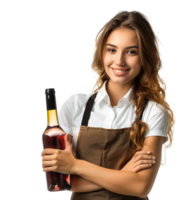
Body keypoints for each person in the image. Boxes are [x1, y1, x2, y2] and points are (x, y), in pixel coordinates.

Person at [41, 9, 176, 200]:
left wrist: (76, 166)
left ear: (144, 57)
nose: (119, 61)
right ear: (102, 53)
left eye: (131, 52)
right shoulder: (74, 105)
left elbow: (139, 187)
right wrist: (124, 173)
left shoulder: (153, 112)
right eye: (112, 50)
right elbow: (61, 182)